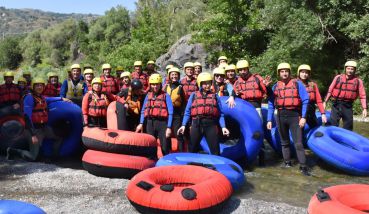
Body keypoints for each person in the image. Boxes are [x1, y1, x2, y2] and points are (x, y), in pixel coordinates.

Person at [6, 77, 70, 161]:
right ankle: (13, 151)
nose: (39, 87)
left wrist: (61, 98)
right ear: (33, 87)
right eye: (37, 86)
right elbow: (26, 117)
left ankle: (55, 157)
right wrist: (33, 135)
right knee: (33, 157)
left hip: (43, 128)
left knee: (60, 136)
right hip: (33, 130)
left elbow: (49, 99)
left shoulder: (41, 97)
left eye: (41, 85)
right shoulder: (29, 98)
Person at [266, 63, 310, 176]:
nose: (284, 73)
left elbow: (305, 100)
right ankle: (287, 163)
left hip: (294, 116)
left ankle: (303, 166)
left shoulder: (297, 84)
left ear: (289, 73)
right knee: (284, 142)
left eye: (286, 71)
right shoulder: (275, 86)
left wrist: (303, 117)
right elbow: (271, 103)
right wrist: (269, 120)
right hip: (280, 116)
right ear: (278, 73)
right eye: (282, 71)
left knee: (298, 143)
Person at [178, 72, 230, 155]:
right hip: (196, 124)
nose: (207, 85)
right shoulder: (193, 95)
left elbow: (221, 114)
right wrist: (183, 125)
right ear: (200, 84)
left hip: (210, 125)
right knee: (192, 148)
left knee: (215, 150)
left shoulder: (215, 96)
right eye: (205, 84)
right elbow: (187, 112)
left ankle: (215, 167)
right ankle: (191, 166)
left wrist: (223, 127)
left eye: (209, 83)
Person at [136, 74, 173, 155]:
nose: (155, 86)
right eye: (153, 84)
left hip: (162, 123)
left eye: (157, 84)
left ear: (160, 84)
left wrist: (169, 127)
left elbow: (170, 113)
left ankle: (166, 163)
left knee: (164, 146)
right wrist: (141, 123)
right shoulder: (148, 96)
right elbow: (143, 111)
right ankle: (152, 162)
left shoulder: (166, 96)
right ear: (150, 85)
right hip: (150, 123)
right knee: (151, 146)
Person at [324, 60, 367, 130]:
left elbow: (362, 96)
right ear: (345, 69)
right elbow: (330, 90)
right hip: (336, 104)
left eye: (352, 69)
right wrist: (325, 102)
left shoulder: (358, 81)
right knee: (333, 124)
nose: (350, 71)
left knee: (348, 126)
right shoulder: (338, 78)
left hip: (348, 105)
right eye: (348, 68)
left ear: (355, 70)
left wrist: (364, 108)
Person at [164, 67, 186, 152]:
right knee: (167, 134)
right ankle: (168, 151)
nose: (174, 76)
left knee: (178, 134)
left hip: (177, 113)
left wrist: (183, 114)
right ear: (169, 76)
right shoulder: (166, 87)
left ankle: (181, 152)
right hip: (167, 113)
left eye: (176, 75)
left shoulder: (181, 87)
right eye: (172, 75)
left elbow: (184, 102)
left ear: (178, 76)